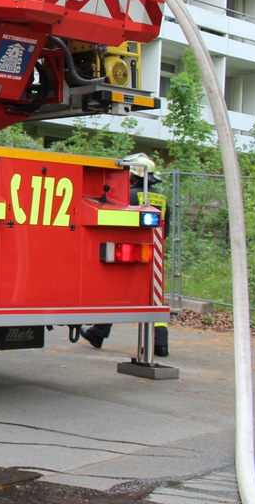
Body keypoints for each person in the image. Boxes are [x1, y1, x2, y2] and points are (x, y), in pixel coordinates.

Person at [80, 153, 171, 357]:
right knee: (154, 297)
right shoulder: (161, 198)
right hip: (154, 252)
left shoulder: (128, 196)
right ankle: (160, 343)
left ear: (133, 177)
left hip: (129, 249)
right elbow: (167, 228)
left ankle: (99, 333)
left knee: (117, 291)